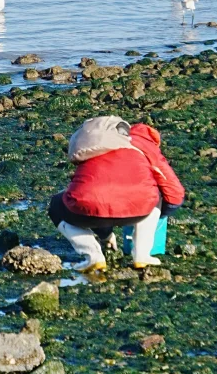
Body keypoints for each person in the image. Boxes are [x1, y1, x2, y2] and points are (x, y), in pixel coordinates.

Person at [48, 115, 184, 273]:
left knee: (57, 206)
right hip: (140, 207)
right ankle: (142, 254)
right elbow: (175, 192)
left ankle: (93, 255)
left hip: (88, 207)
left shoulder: (93, 145)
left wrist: (105, 235)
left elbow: (97, 199)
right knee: (155, 195)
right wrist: (164, 212)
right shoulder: (144, 146)